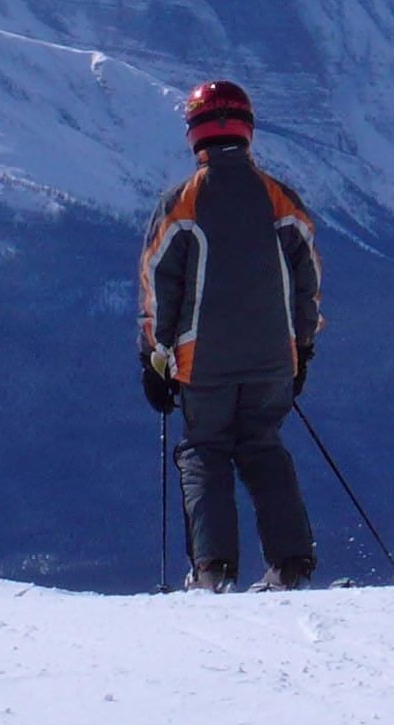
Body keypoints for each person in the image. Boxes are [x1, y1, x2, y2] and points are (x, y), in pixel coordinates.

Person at [139, 80, 325, 593]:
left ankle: (213, 572)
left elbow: (158, 285)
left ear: (195, 134)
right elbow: (307, 278)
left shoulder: (181, 203)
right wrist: (302, 349)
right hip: (273, 360)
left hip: (204, 363)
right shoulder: (279, 198)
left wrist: (153, 358)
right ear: (247, 131)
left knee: (204, 451)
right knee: (263, 447)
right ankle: (291, 566)